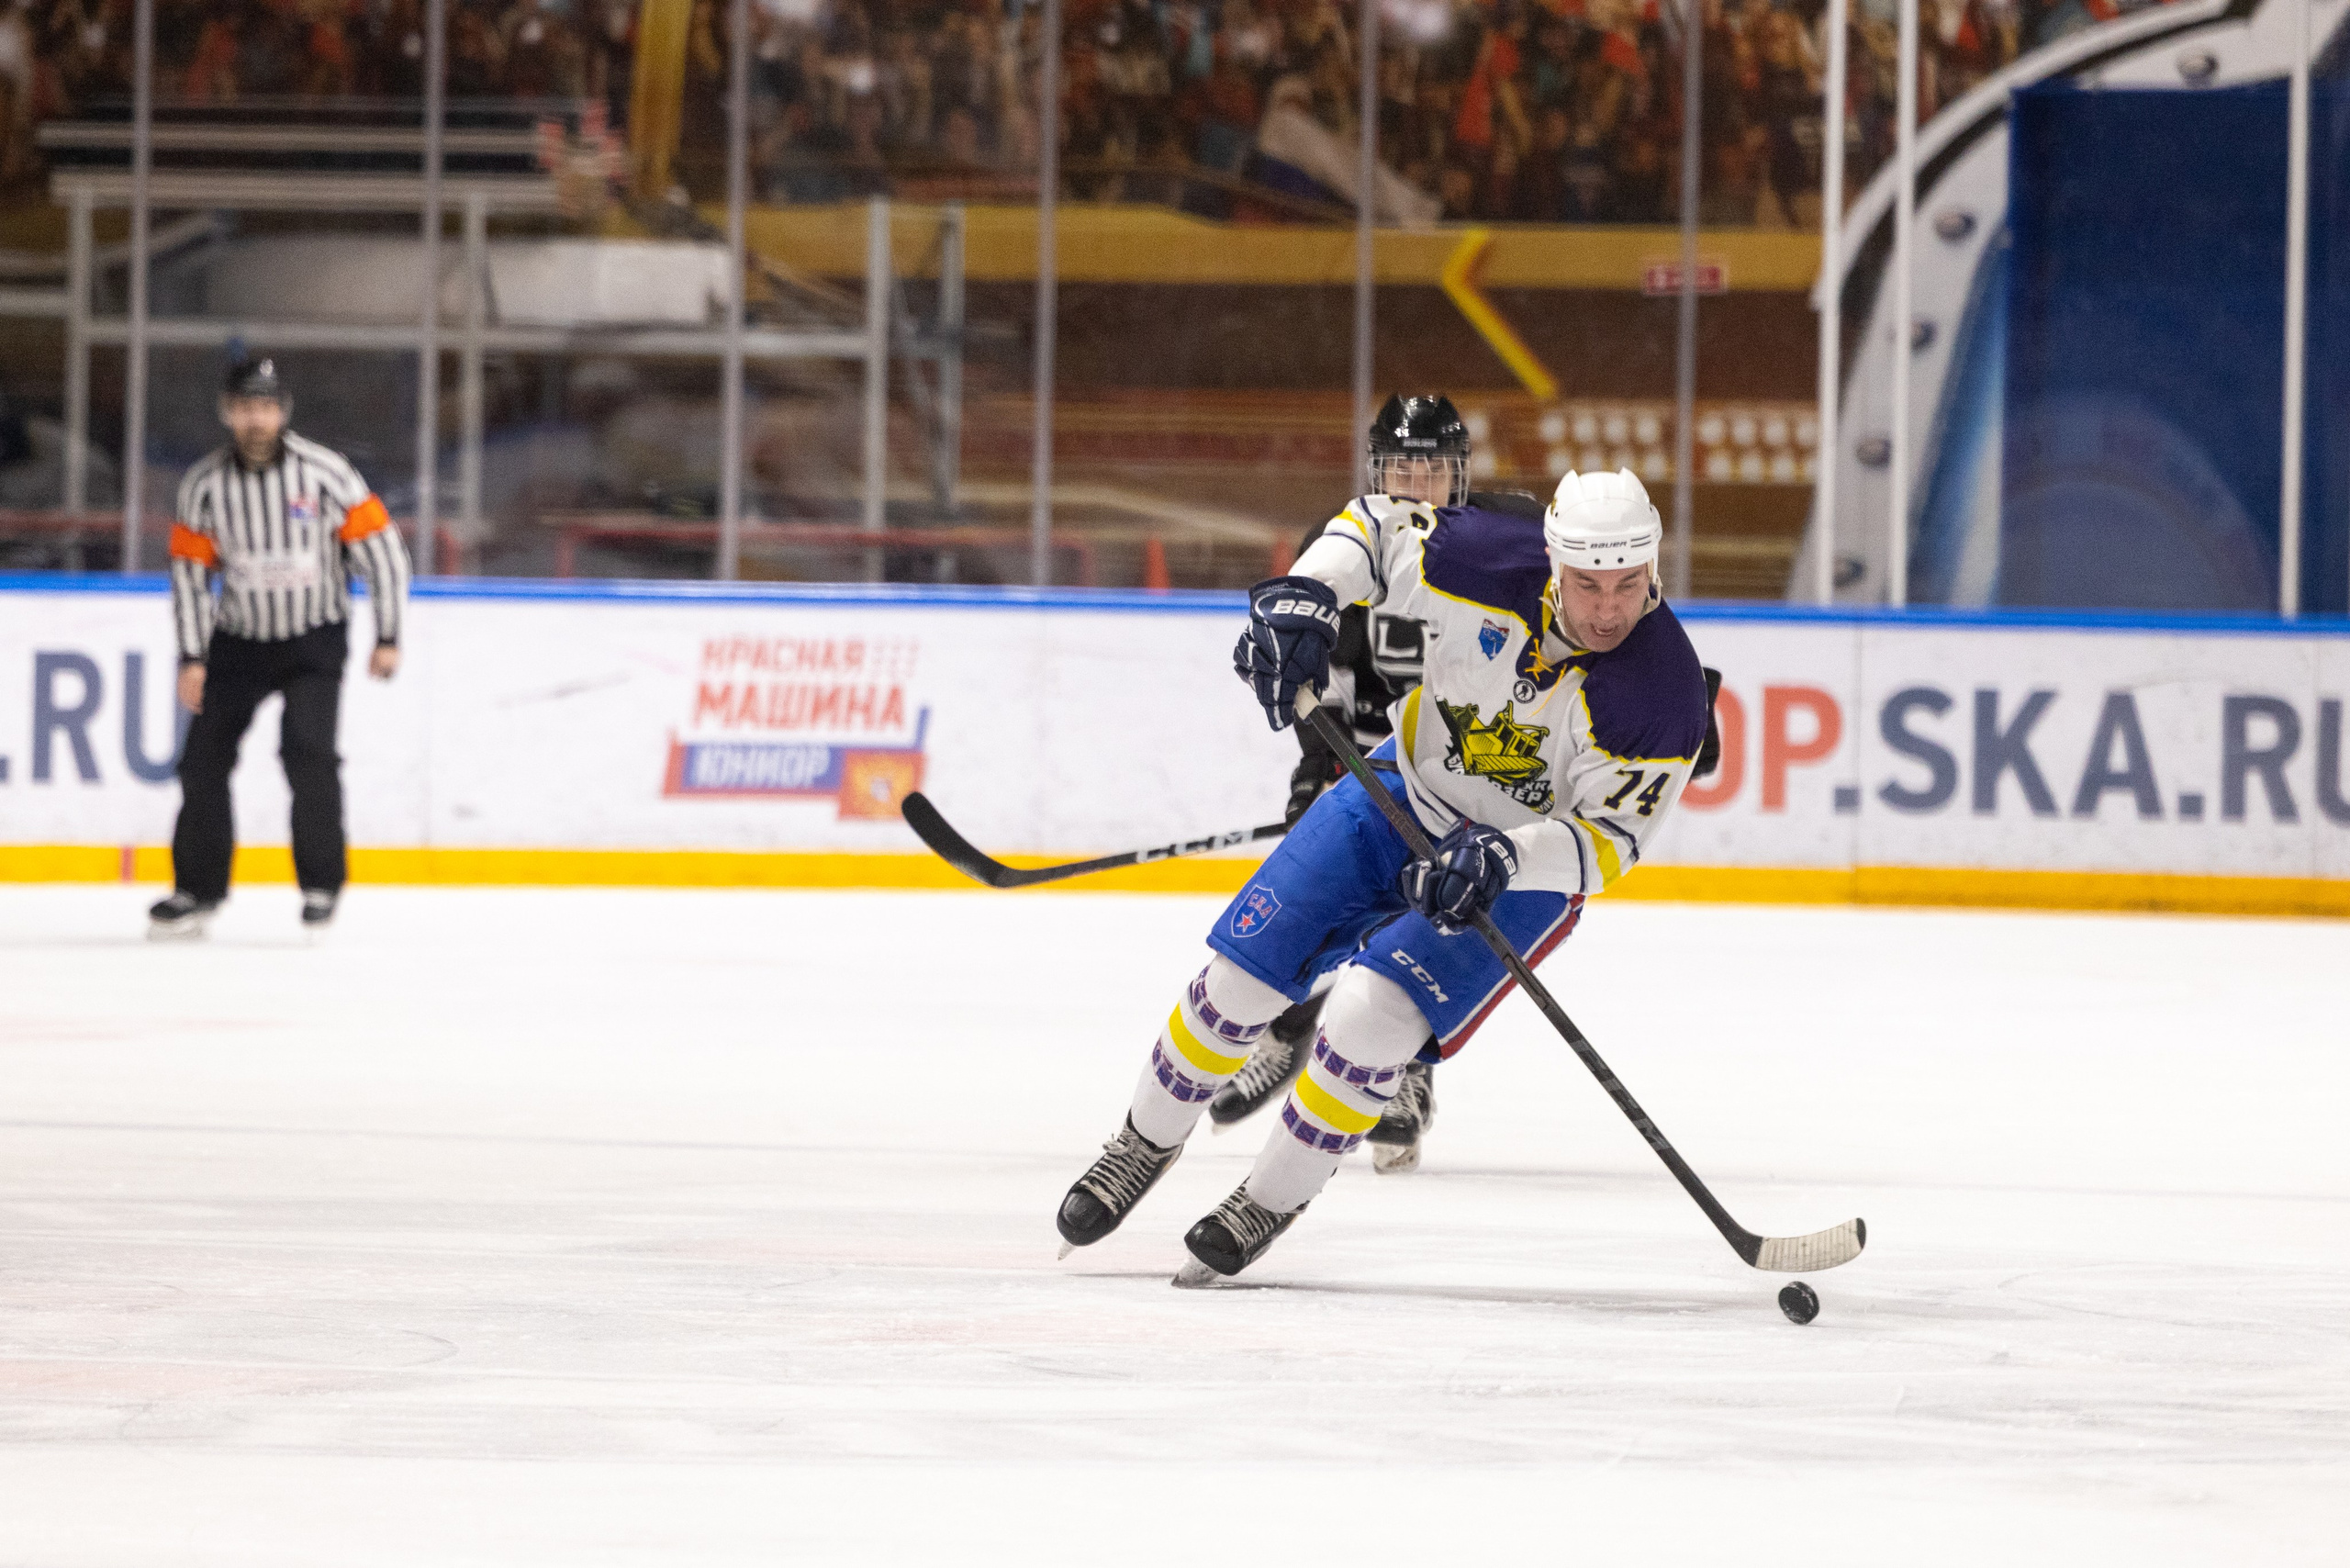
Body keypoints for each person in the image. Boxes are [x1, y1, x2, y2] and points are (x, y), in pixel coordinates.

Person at [1056, 465, 1710, 1282]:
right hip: (1399, 790)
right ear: (1551, 562)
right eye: (1588, 585)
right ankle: (1140, 1145)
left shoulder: (1665, 692)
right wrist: (1306, 594)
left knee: (1369, 1019)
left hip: (1514, 873)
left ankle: (1269, 1197)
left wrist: (1510, 854)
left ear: (1654, 564)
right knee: (1240, 983)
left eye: (1629, 583)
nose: (1610, 607)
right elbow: (1372, 527)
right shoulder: (1479, 558)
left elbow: (1607, 840)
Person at [1209, 392, 1547, 1175]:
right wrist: (1316, 768)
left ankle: (1405, 1070)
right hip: (1366, 756)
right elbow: (1316, 674)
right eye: (1402, 467)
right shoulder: (1350, 539)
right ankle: (1287, 1027)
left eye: (1433, 469)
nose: (1416, 485)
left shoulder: (1509, 539)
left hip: (1469, 770)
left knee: (1441, 912)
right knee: (1310, 897)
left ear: (1460, 475)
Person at [147, 357, 411, 941]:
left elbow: (384, 552)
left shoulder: (326, 474)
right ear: (227, 412)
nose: (255, 418)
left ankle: (321, 885)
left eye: (266, 407)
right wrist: (192, 656)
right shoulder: (204, 486)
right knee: (202, 762)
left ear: (283, 412)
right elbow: (190, 577)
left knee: (309, 754)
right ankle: (197, 889)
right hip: (238, 642)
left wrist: (387, 635)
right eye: (244, 407)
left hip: (313, 638)